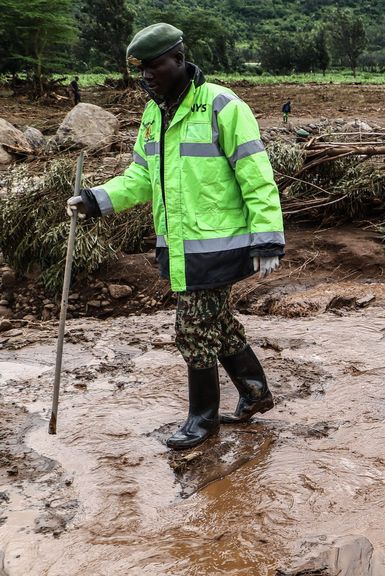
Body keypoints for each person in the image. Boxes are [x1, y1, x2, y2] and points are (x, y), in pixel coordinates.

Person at [66, 23, 285, 450]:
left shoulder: (222, 106)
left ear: (179, 60)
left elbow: (257, 176)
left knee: (191, 329)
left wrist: (267, 239)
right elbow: (140, 177)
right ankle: (255, 392)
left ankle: (203, 419)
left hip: (221, 246)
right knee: (216, 323)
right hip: (180, 246)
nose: (147, 76)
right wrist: (95, 200)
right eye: (141, 69)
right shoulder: (154, 115)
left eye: (155, 66)